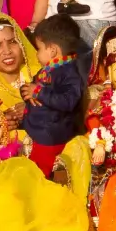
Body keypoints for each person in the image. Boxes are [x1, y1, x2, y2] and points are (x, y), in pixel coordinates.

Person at [19, 14, 86, 174]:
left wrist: (40, 92)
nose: (36, 54)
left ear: (52, 50)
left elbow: (68, 101)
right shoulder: (50, 68)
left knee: (38, 173)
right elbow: (33, 87)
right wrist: (26, 92)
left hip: (49, 136)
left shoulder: (69, 73)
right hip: (36, 128)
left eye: (39, 49)